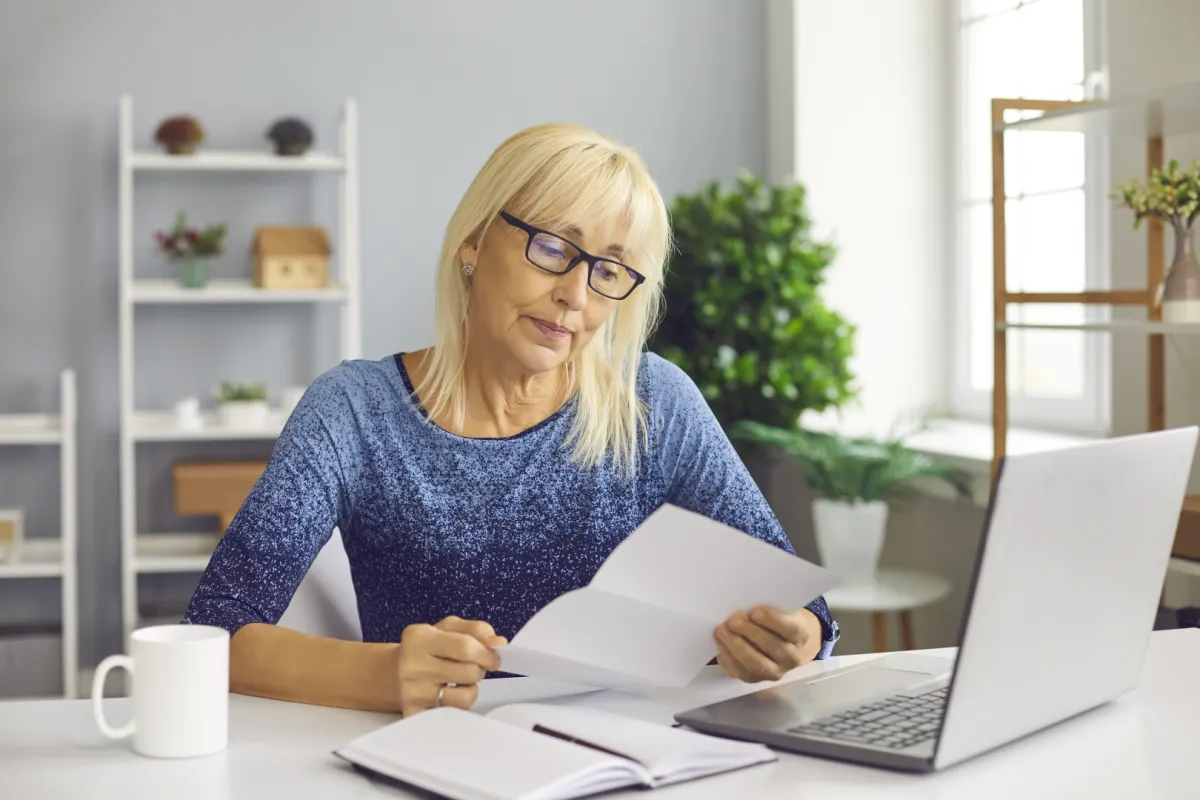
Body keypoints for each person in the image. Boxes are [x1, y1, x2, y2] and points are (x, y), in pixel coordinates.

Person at [183, 122, 839, 717]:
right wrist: (384, 674)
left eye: (609, 270)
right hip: (433, 763)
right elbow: (213, 635)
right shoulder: (353, 412)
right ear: (473, 242)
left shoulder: (654, 403)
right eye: (554, 248)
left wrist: (792, 638)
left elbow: (801, 608)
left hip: (631, 759)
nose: (575, 296)